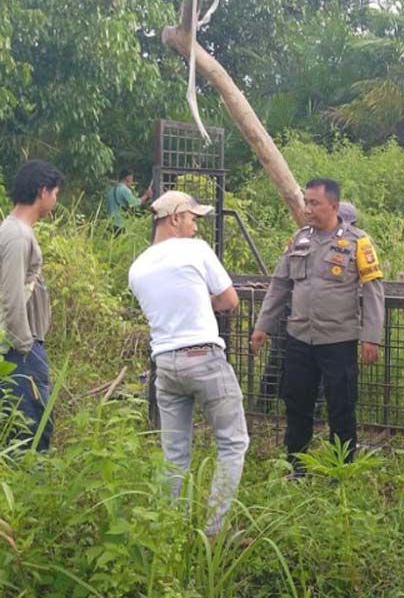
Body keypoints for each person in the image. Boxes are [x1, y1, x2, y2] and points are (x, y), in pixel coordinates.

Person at [128, 191, 249, 538]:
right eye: (193, 217)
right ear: (175, 218)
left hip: (165, 364)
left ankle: (170, 531)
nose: (196, 225)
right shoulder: (195, 250)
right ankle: (215, 531)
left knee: (175, 453)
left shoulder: (137, 268)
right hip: (204, 358)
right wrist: (202, 301)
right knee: (232, 442)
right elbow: (229, 300)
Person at [250, 179, 384, 476]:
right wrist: (263, 326)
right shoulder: (298, 240)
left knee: (341, 409)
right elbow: (279, 286)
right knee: (297, 405)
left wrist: (371, 337)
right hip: (299, 339)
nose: (307, 209)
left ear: (334, 206)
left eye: (314, 203)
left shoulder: (358, 242)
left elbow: (374, 291)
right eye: (306, 202)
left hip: (339, 341)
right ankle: (297, 467)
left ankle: (341, 471)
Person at [0, 159, 63, 452]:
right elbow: (11, 296)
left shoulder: (16, 231)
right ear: (42, 191)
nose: (55, 200)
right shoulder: (16, 235)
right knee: (30, 428)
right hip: (21, 349)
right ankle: (26, 490)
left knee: (33, 423)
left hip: (23, 346)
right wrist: (24, 345)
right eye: (55, 193)